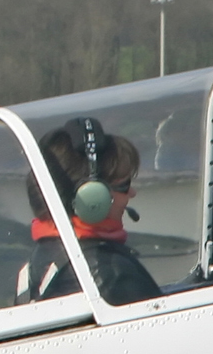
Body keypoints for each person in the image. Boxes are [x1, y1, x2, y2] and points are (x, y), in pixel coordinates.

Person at [20, 117, 161, 305]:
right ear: (94, 195)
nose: (132, 193)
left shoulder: (36, 263)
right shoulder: (113, 275)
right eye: (124, 185)